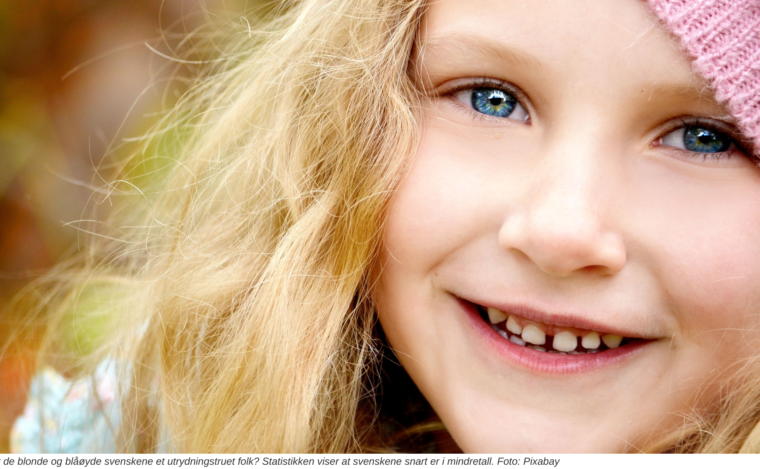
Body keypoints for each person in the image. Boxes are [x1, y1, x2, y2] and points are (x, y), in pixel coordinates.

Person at [11, 0, 760, 453]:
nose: (561, 231)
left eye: (704, 138)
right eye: (492, 98)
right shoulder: (157, 429)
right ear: (348, 130)